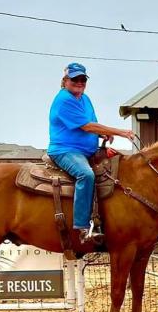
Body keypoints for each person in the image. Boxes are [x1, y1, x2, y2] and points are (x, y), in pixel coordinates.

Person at [47, 62, 137, 246]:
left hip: (87, 150)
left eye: (83, 79)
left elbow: (92, 124)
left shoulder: (85, 99)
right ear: (65, 81)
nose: (79, 83)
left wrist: (102, 133)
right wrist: (120, 132)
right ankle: (82, 226)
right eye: (75, 79)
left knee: (119, 165)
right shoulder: (64, 100)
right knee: (86, 175)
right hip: (66, 150)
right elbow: (87, 126)